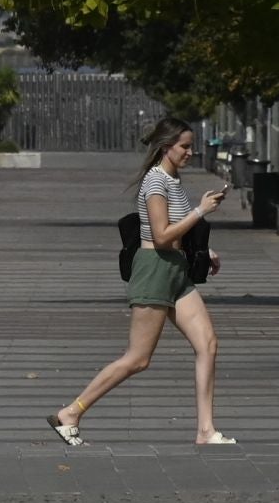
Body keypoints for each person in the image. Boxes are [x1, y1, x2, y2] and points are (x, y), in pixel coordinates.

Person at [47, 116, 234, 446]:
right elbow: (160, 236)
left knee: (207, 344)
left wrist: (205, 251)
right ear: (166, 147)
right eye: (185, 147)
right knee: (138, 358)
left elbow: (175, 231)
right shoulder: (155, 182)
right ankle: (71, 412)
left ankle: (206, 430)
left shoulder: (173, 179)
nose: (190, 152)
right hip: (154, 270)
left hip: (176, 270)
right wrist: (200, 211)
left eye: (191, 146)